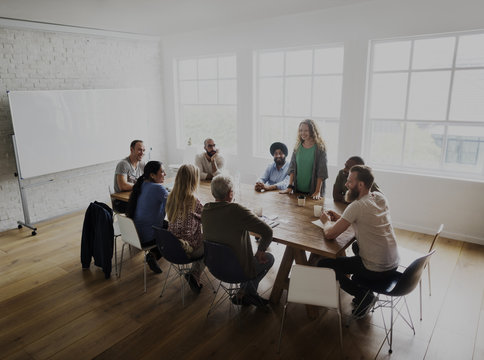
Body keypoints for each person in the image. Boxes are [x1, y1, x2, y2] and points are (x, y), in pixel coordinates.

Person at [317, 165, 399, 318]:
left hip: (376, 269)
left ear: (360, 185)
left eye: (350, 181)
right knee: (355, 246)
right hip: (393, 264)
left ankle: (364, 296)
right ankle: (363, 287)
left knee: (324, 264)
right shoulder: (379, 197)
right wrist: (343, 218)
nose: (346, 184)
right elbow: (364, 218)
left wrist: (326, 221)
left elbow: (329, 234)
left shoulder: (357, 206)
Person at [201, 174, 274, 307]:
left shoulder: (205, 210)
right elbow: (268, 232)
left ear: (213, 192)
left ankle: (244, 292)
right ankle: (247, 293)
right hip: (238, 271)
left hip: (214, 267)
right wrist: (260, 251)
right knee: (269, 258)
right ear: (230, 194)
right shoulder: (236, 210)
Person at [166, 164, 205, 294]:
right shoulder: (194, 201)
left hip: (171, 246)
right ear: (194, 180)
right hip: (187, 249)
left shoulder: (171, 197)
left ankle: (193, 273)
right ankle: (195, 273)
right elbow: (207, 219)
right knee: (211, 242)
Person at [126, 161, 168, 274]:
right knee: (174, 230)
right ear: (152, 175)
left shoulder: (141, 184)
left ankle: (153, 255)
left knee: (166, 225)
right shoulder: (158, 189)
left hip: (134, 235)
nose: (165, 174)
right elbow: (173, 207)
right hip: (147, 238)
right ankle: (153, 255)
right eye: (162, 172)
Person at [280, 119, 328, 200]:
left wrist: (317, 191)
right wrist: (290, 187)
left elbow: (322, 171)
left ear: (312, 131)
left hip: (313, 192)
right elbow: (292, 168)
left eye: (306, 130)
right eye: (301, 130)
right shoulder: (297, 147)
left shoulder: (320, 148)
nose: (303, 133)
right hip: (297, 191)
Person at [113, 140, 146, 213]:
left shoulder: (142, 164)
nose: (142, 153)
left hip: (135, 197)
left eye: (143, 150)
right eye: (139, 150)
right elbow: (123, 186)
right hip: (121, 202)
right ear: (131, 150)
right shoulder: (123, 164)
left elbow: (147, 181)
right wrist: (140, 186)